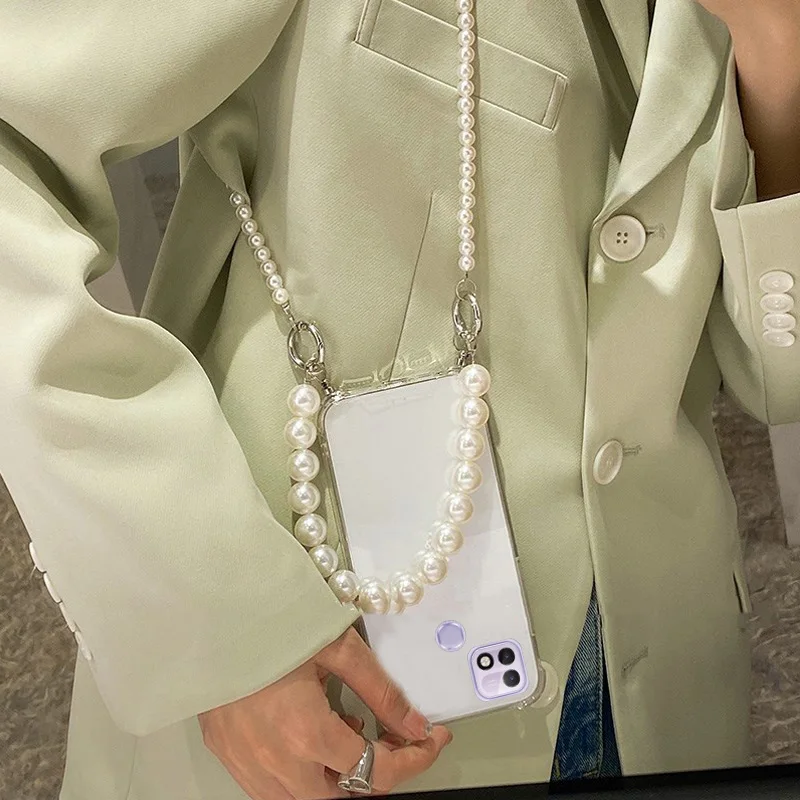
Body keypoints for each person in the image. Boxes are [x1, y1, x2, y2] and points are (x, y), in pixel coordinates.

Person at [2, 0, 799, 798]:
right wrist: (213, 623)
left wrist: (777, 49)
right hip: (328, 698)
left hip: (667, 680)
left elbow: (772, 378)